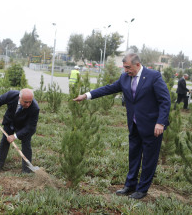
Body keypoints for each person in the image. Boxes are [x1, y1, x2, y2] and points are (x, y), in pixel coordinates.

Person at [73, 53, 171, 199]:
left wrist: (160, 122)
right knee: (134, 155)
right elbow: (108, 89)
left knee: (149, 159)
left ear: (137, 65)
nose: (125, 70)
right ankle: (130, 185)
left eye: (128, 67)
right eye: (124, 67)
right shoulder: (125, 77)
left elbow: (165, 100)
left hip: (152, 126)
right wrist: (87, 95)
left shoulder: (153, 76)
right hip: (134, 124)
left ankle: (142, 189)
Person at [0, 88, 40, 173]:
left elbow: (30, 126)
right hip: (10, 121)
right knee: (5, 141)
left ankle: (26, 170)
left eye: (30, 102)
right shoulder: (11, 95)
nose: (28, 104)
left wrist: (15, 136)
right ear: (20, 98)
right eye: (25, 102)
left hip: (25, 126)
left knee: (26, 144)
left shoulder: (35, 108)